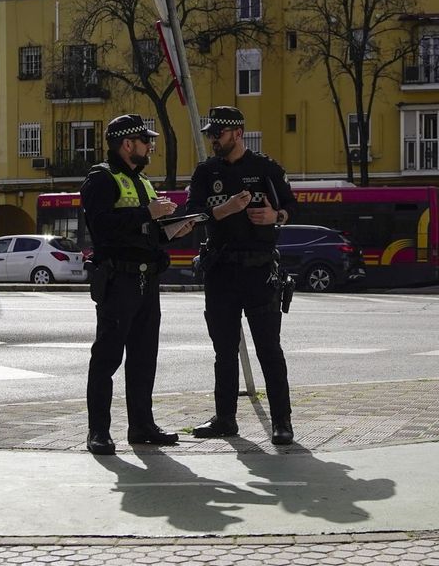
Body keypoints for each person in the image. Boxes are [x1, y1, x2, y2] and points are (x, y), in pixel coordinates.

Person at [183, 106, 297, 446]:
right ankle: (225, 418)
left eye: (218, 133)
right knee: (224, 351)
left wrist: (277, 216)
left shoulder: (266, 168)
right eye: (210, 134)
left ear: (238, 133)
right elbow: (192, 216)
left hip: (259, 271)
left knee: (269, 349)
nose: (213, 140)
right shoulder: (206, 171)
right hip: (220, 271)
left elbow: (293, 205)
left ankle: (282, 422)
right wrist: (226, 209)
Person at [81, 114, 193, 454]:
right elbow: (102, 226)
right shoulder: (100, 179)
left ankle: (142, 425)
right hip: (118, 280)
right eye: (146, 141)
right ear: (127, 144)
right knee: (107, 358)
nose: (150, 147)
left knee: (144, 358)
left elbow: (147, 231)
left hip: (147, 280)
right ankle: (98, 431)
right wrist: (148, 213)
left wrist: (173, 230)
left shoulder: (143, 182)